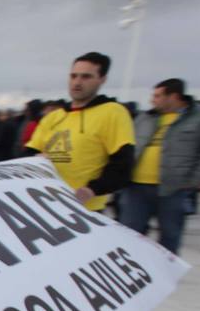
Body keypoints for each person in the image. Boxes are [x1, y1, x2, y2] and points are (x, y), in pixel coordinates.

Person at [123, 78, 200, 254]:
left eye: (157, 96)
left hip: (173, 189)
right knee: (129, 233)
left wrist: (195, 179)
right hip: (136, 187)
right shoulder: (145, 117)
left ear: (173, 96)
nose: (152, 100)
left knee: (170, 234)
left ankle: (166, 274)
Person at [24, 52, 135, 210]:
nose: (77, 82)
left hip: (84, 209)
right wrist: (35, 159)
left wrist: (92, 190)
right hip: (44, 204)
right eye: (73, 76)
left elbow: (123, 165)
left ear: (102, 79)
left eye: (86, 77)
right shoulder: (54, 116)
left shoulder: (113, 112)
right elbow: (28, 153)